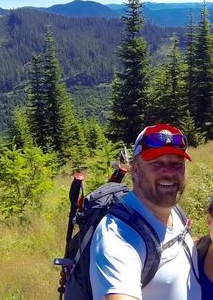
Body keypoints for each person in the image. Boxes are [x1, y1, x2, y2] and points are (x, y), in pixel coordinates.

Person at [89, 124, 201, 300]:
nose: (169, 173)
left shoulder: (174, 211)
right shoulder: (118, 236)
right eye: (157, 163)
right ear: (135, 170)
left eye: (176, 164)